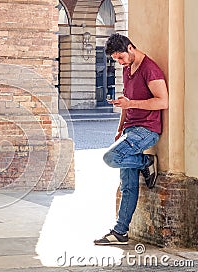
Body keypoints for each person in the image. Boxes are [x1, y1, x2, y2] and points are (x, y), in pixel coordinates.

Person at [94, 34, 169, 245]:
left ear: (130, 48)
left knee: (110, 157)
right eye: (116, 59)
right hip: (130, 130)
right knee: (127, 185)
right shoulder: (128, 69)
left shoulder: (150, 69)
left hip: (147, 130)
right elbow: (127, 103)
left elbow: (162, 101)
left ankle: (146, 162)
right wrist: (120, 129)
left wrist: (131, 104)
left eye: (121, 57)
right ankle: (120, 232)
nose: (120, 62)